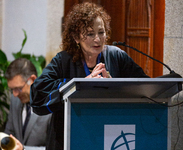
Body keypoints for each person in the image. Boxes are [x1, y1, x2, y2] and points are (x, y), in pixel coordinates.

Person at [30, 2, 149, 150]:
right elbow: (38, 91)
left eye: (101, 32)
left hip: (110, 134)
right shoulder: (63, 60)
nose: (98, 39)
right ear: (76, 37)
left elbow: (146, 89)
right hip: (69, 137)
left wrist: (115, 84)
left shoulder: (116, 56)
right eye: (90, 34)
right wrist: (78, 84)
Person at [4, 58, 51, 150]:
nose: (15, 94)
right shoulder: (15, 101)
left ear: (32, 80)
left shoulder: (51, 105)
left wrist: (24, 149)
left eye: (18, 88)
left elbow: (55, 147)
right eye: (12, 89)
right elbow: (9, 133)